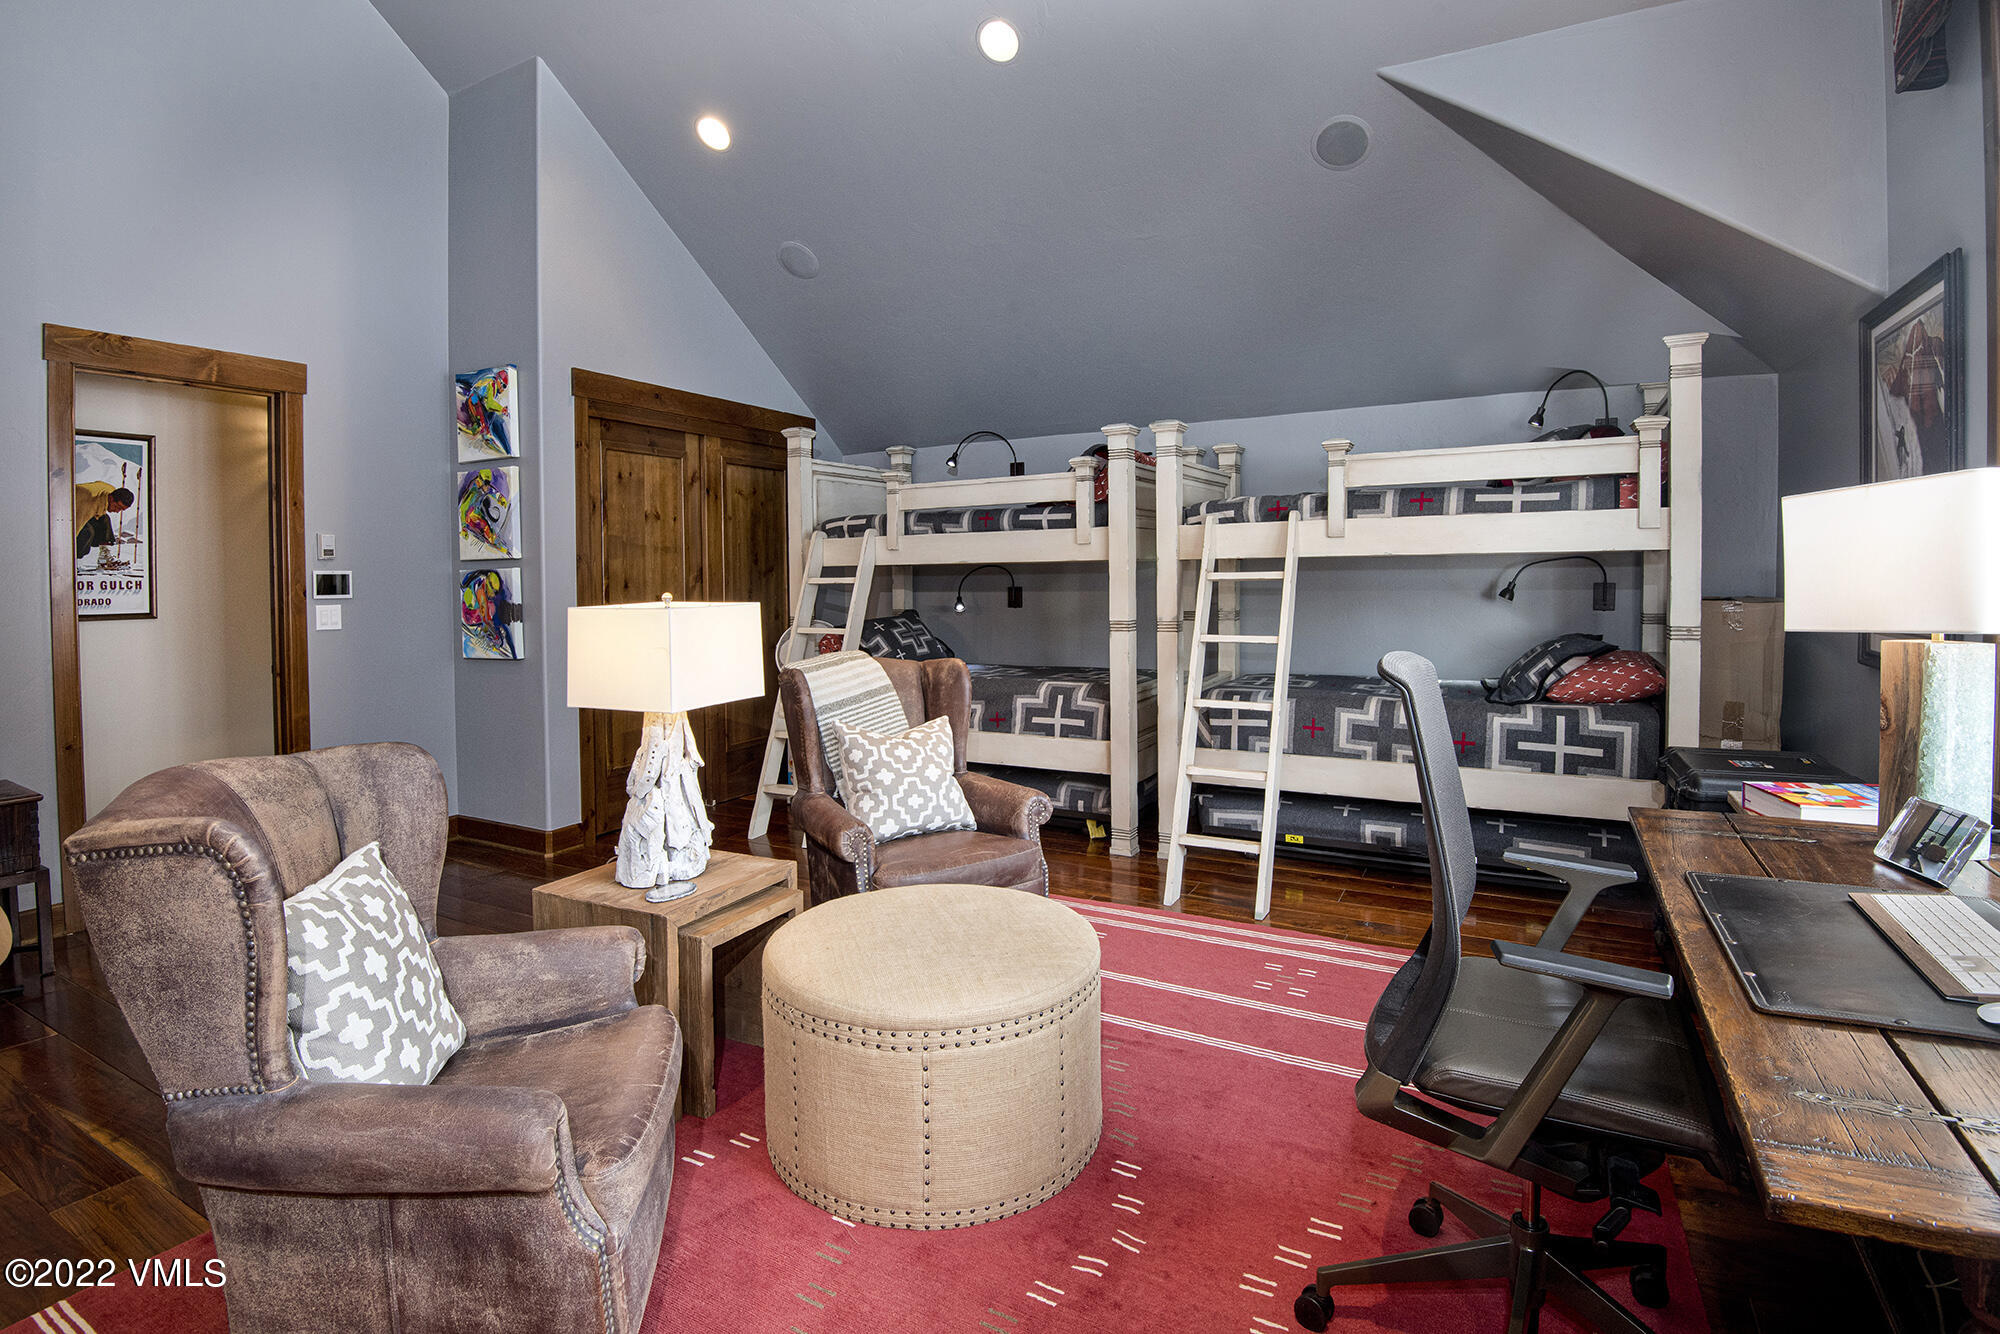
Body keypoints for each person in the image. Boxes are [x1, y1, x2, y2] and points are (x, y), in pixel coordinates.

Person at [74, 483, 134, 562]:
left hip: (85, 503)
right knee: (88, 532)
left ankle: (104, 556)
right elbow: (74, 529)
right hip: (70, 511)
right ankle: (71, 559)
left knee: (105, 520)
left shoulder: (110, 491)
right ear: (111, 499)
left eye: (121, 509)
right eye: (117, 507)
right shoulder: (89, 504)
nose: (117, 511)